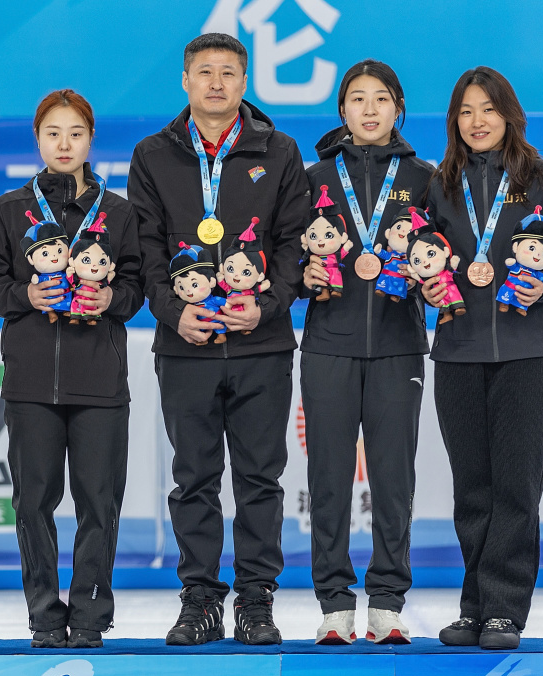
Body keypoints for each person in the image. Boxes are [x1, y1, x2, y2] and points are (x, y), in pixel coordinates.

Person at [128, 33, 310, 645]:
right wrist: (170, 313)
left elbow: (293, 244)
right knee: (194, 478)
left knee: (261, 477)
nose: (215, 83)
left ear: (244, 82)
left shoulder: (279, 150)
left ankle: (256, 600)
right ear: (185, 80)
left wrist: (265, 306)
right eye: (204, 72)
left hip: (262, 343)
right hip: (186, 345)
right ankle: (200, 599)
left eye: (228, 72)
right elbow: (146, 249)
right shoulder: (154, 154)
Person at [422, 67, 543, 650]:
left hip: (528, 352)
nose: (477, 122)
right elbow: (424, 259)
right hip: (459, 351)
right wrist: (428, 287)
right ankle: (474, 605)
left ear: (509, 114)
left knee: (517, 486)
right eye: (465, 112)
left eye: (487, 109)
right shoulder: (439, 182)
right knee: (473, 486)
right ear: (454, 121)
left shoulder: (542, 177)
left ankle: (504, 609)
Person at [0, 90, 143, 649]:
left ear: (90, 139)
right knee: (33, 504)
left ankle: (91, 617)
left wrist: (112, 299)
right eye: (53, 133)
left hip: (99, 382)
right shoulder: (9, 210)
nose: (64, 143)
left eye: (75, 133)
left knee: (100, 503)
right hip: (30, 384)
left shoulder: (118, 213)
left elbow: (139, 285)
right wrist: (25, 292)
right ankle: (46, 617)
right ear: (38, 140)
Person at [300, 60, 434, 645]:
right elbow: (286, 254)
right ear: (342, 110)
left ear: (397, 108)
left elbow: (446, 254)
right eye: (358, 98)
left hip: (399, 346)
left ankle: (386, 601)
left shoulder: (426, 177)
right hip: (328, 343)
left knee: (392, 477)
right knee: (328, 475)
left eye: (382, 98)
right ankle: (333, 603)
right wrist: (304, 274)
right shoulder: (314, 177)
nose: (371, 109)